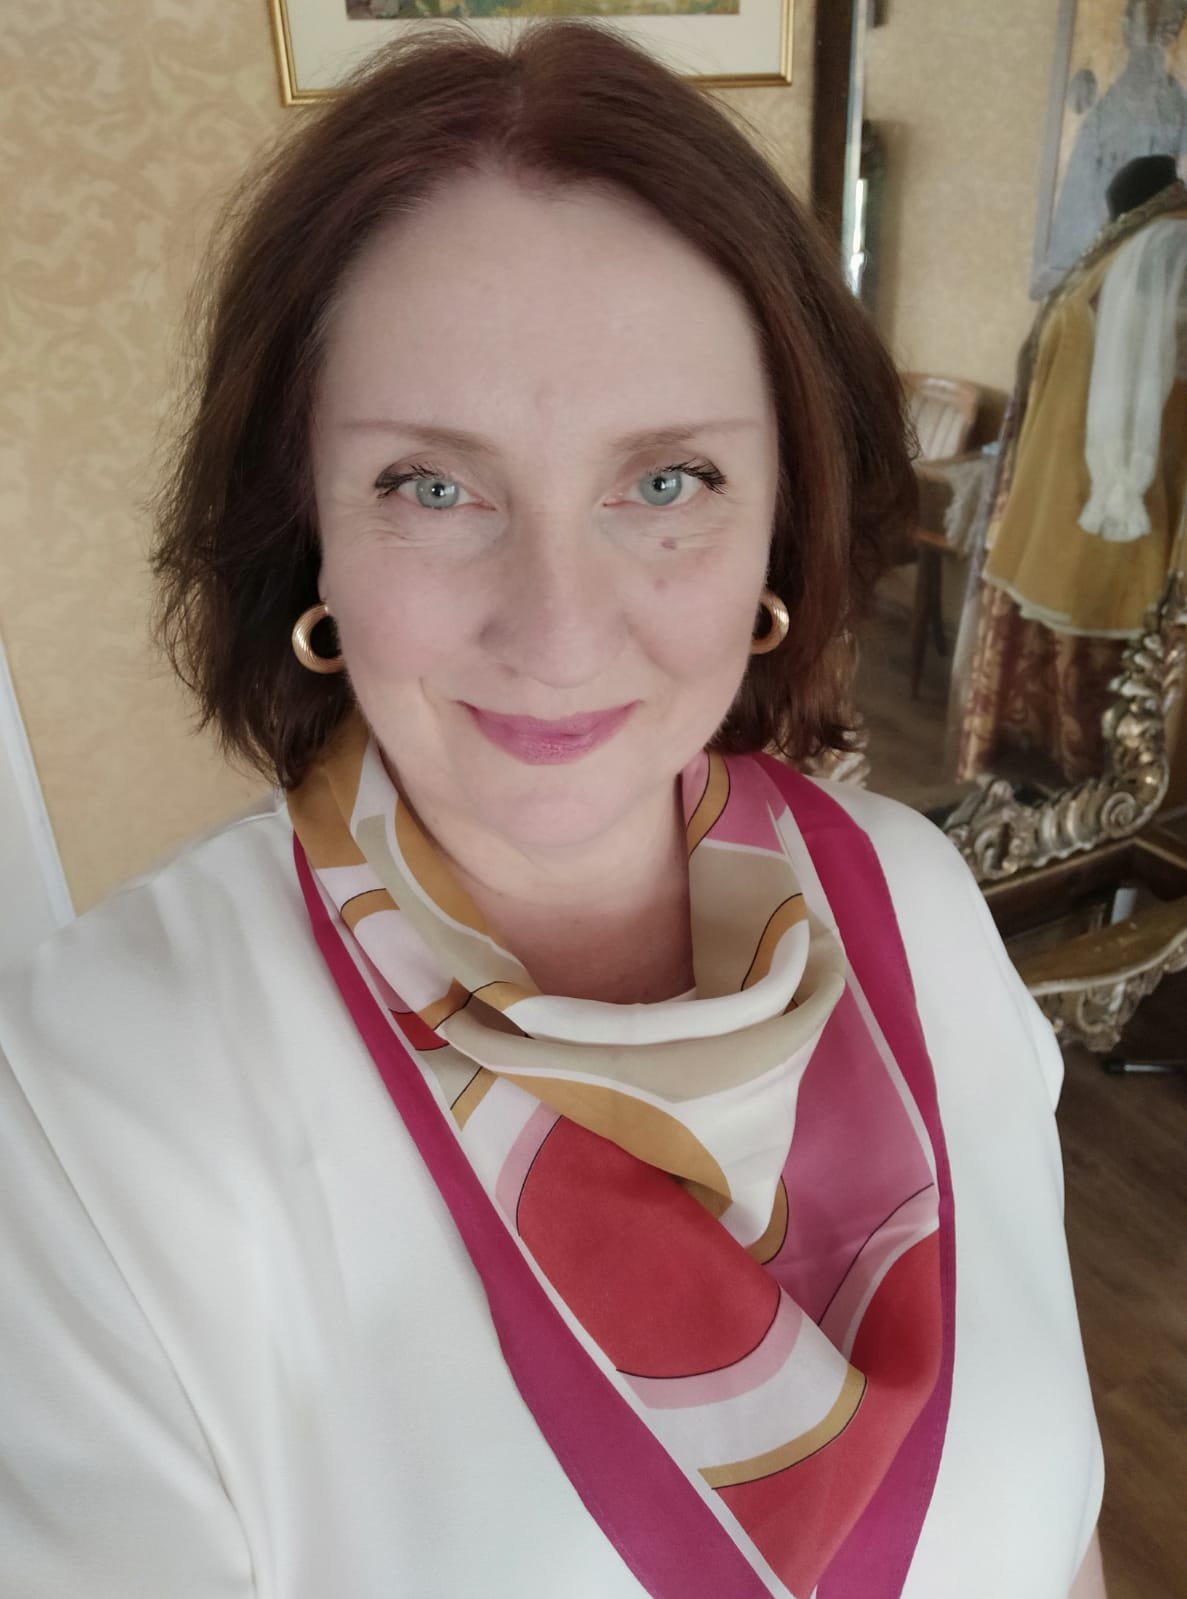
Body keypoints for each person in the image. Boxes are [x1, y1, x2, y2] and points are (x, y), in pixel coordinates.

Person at [0, 22, 1106, 1599]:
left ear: (780, 510)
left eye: (665, 481)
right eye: (430, 485)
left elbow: (1056, 1528)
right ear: (302, 525)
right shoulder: (90, 1088)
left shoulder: (918, 899)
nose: (560, 630)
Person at [959, 153, 1187, 785]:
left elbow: (1135, 393)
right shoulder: (1130, 242)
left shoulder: (1166, 245)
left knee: (1103, 662)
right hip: (1062, 487)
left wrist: (1119, 491)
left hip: (1112, 501)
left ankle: (1089, 798)